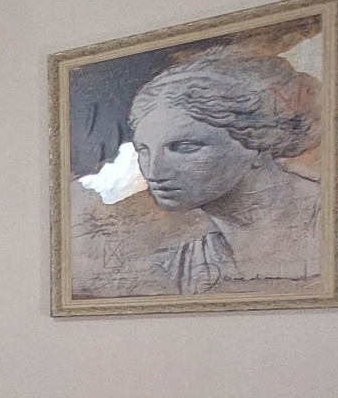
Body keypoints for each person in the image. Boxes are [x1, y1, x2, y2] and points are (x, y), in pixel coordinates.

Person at [127, 48, 324, 294]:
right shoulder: (181, 262)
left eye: (185, 147)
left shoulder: (327, 220)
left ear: (258, 140)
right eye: (144, 151)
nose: (154, 171)